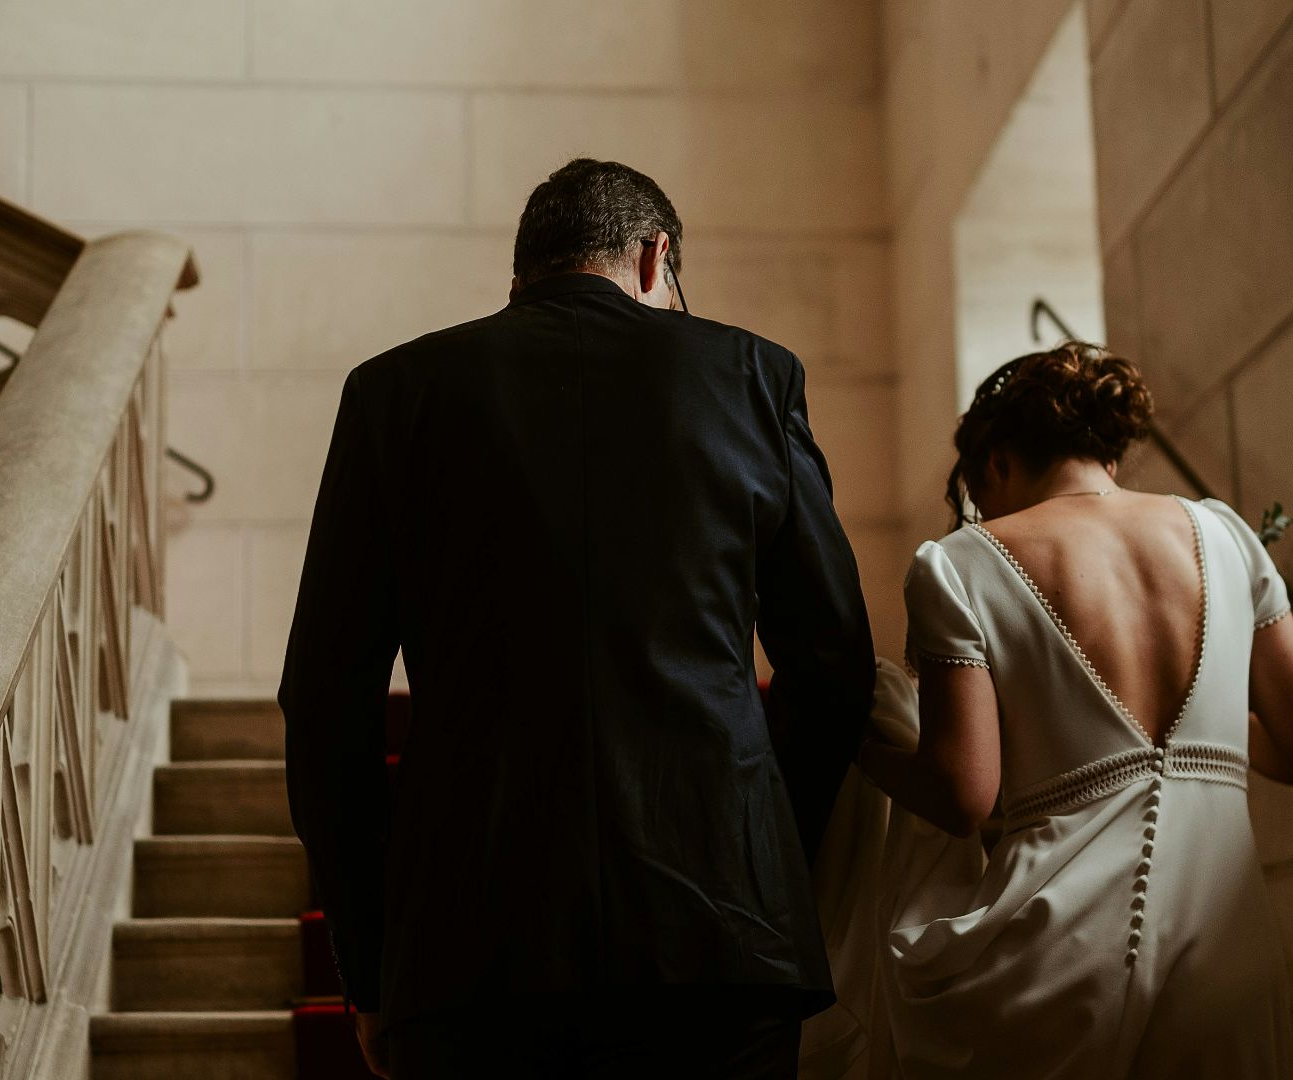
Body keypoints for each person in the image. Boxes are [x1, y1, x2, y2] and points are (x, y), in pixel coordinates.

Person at [277, 158, 876, 1079]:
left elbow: (326, 702)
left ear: (522, 274)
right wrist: (759, 854)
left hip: (472, 947)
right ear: (655, 258)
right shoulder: (754, 375)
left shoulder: (394, 393)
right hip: (722, 937)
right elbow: (833, 664)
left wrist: (373, 965)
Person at [855, 343, 1293, 1078]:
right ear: (1107, 457)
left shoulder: (961, 563)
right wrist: (1204, 730)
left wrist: (855, 738)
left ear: (993, 462)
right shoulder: (1226, 536)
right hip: (1227, 955)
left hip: (1055, 963)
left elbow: (964, 795)